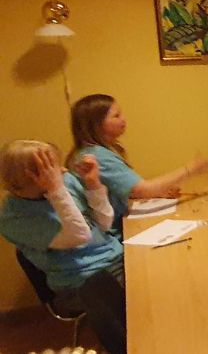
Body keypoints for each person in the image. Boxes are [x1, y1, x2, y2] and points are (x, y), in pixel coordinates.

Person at [0, 140, 127, 354]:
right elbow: (80, 235)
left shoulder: (65, 182)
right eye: (49, 168)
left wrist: (93, 185)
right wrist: (56, 190)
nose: (63, 170)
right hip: (78, 281)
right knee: (109, 289)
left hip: (114, 258)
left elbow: (105, 223)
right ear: (25, 180)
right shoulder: (13, 218)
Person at [68, 94, 208, 238]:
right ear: (97, 125)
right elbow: (143, 190)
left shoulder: (91, 151)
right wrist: (191, 168)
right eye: (116, 116)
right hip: (107, 235)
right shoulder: (98, 156)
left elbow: (122, 189)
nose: (123, 119)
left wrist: (158, 192)